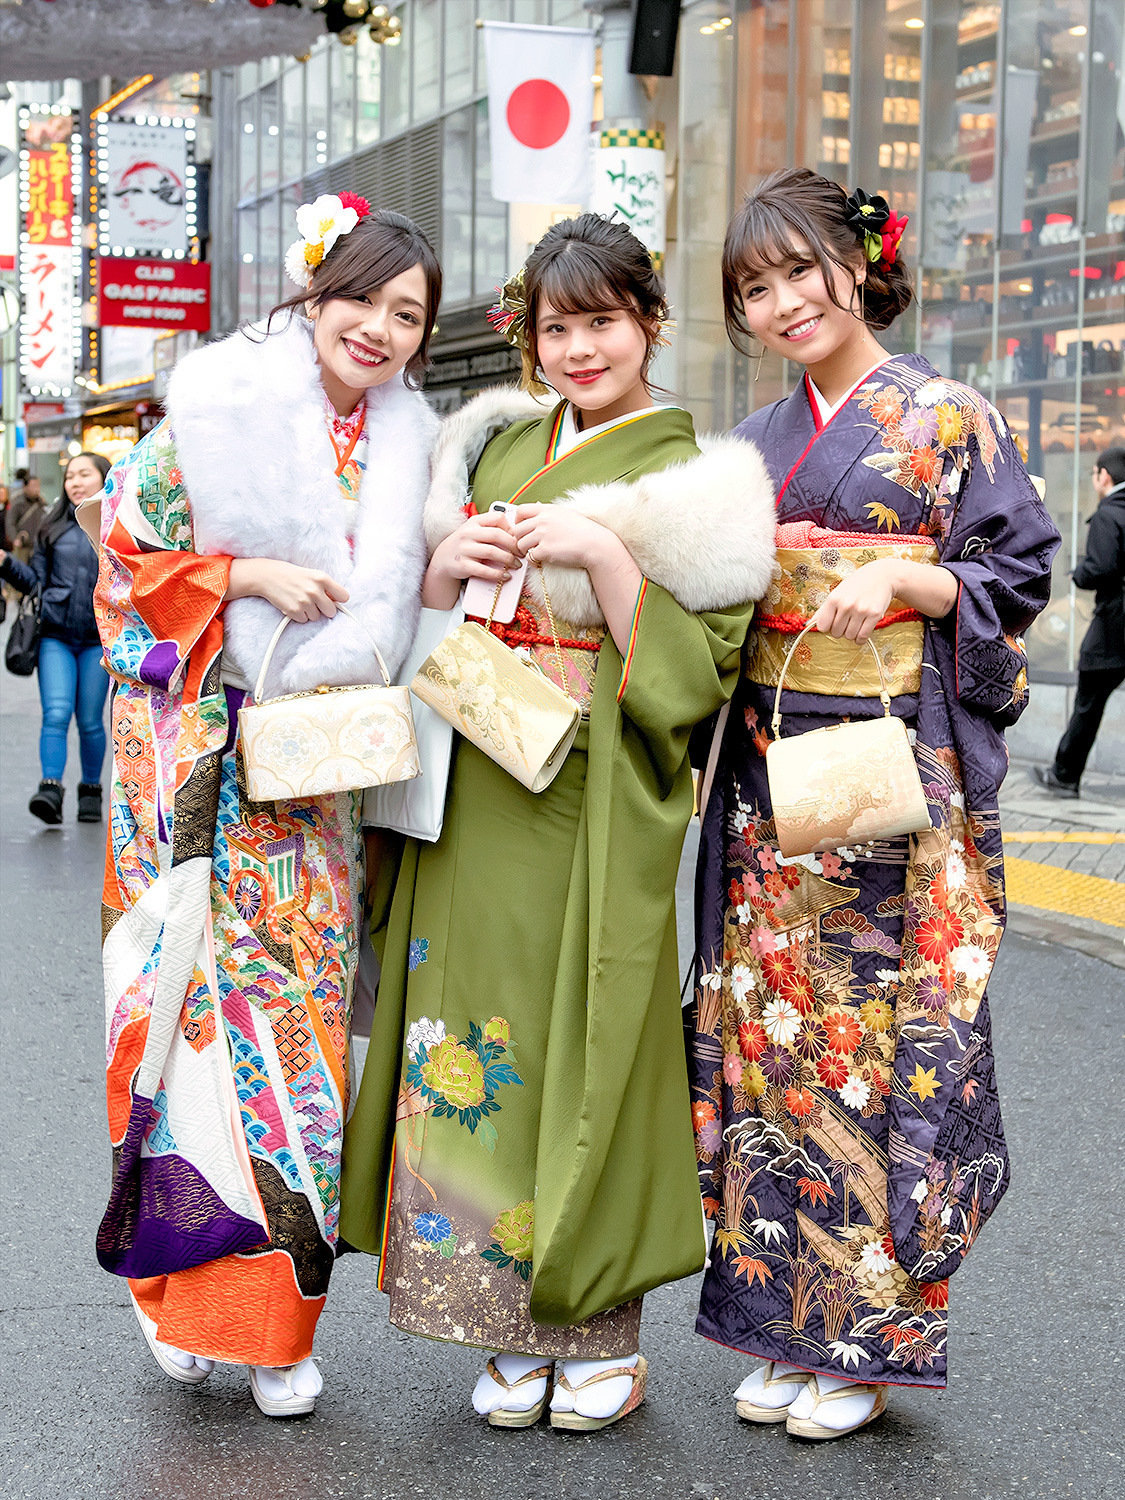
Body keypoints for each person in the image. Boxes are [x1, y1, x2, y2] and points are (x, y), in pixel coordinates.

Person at [340, 213, 776, 1431]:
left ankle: (596, 1335)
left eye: (601, 322)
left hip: (589, 791)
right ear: (527, 338)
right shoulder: (493, 445)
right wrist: (444, 567)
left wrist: (607, 556)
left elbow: (706, 676)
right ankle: (499, 1324)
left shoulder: (706, 482)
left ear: (647, 322)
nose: (579, 348)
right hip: (479, 776)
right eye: (555, 326)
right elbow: (427, 611)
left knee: (589, 1045)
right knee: (466, 1035)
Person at [686, 169, 1060, 1441]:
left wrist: (915, 579)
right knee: (768, 1051)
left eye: (802, 272)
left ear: (863, 265)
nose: (783, 302)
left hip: (897, 791)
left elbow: (1015, 568)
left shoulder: (947, 417)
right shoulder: (748, 445)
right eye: (755, 287)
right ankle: (785, 1321)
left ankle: (865, 1338)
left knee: (880, 1050)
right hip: (771, 793)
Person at [92, 196, 441, 1418]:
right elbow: (125, 570)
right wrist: (241, 575)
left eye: (410, 315)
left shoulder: (407, 451)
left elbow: (415, 599)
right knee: (187, 1034)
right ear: (316, 290)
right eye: (366, 300)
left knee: (292, 1054)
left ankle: (280, 1325)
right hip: (199, 777)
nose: (382, 331)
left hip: (314, 796)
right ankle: (179, 1302)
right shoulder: (214, 408)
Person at [0, 451, 112, 824]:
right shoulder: (52, 527)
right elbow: (35, 582)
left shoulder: (121, 529)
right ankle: (50, 789)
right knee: (57, 714)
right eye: (70, 477)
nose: (75, 482)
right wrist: (6, 565)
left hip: (99, 641)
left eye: (84, 474)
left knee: (92, 722)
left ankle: (91, 790)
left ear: (104, 478)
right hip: (55, 637)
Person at [1034, 445, 1125, 797]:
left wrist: (1079, 574)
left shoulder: (1109, 514)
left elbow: (1101, 567)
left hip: (1114, 624)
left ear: (1105, 475)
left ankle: (1064, 775)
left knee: (1089, 698)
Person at [5, 469, 46, 562]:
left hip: (38, 546)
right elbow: (10, 522)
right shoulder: (18, 502)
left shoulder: (41, 503)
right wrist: (15, 538)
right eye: (33, 486)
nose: (37, 489)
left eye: (38, 485)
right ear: (25, 487)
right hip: (23, 546)